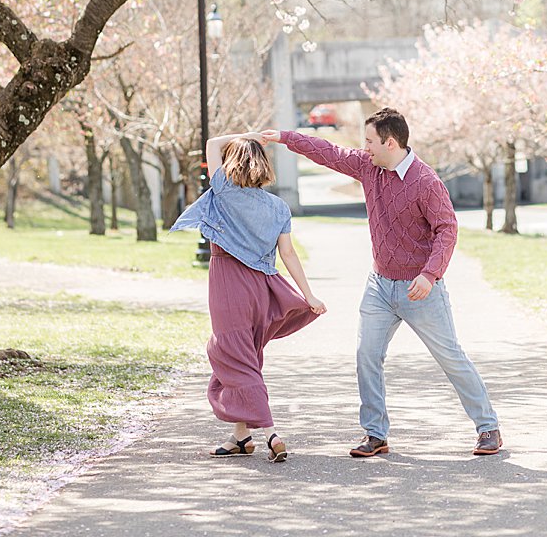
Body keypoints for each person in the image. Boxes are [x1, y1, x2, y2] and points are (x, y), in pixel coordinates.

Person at [262, 108, 503, 457]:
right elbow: (328, 152)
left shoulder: (426, 182)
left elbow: (446, 230)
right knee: (367, 356)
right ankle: (375, 434)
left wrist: (430, 274)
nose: (365, 147)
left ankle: (488, 428)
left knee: (450, 357)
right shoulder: (367, 167)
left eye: (371, 141)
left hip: (420, 289)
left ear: (391, 142)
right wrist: (286, 137)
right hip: (380, 286)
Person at [169, 133, 325, 461]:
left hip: (229, 285)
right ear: (262, 164)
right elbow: (289, 254)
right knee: (245, 357)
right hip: (260, 289)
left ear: (231, 164)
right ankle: (241, 438)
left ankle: (271, 432)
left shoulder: (224, 190)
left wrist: (247, 136)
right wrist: (308, 294)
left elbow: (212, 144)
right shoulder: (279, 206)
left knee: (228, 352)